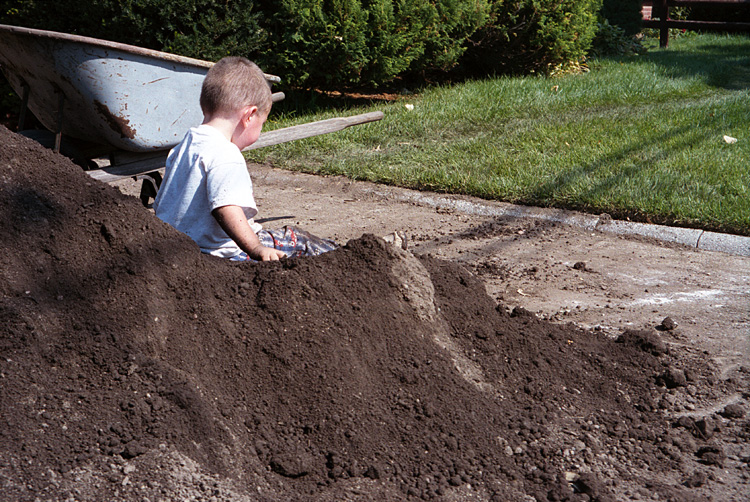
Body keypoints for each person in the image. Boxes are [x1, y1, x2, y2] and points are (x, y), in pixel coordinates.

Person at [153, 56, 337, 261]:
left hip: (182, 250)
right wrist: (256, 249)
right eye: (262, 123)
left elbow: (162, 204)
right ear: (249, 116)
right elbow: (225, 207)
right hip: (227, 253)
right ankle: (346, 259)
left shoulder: (183, 146)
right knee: (298, 240)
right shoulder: (226, 153)